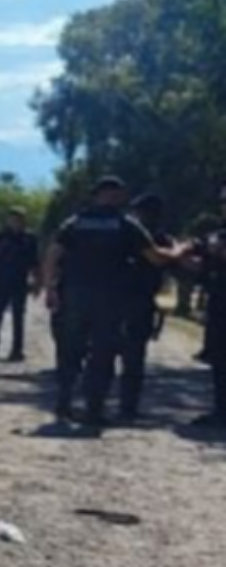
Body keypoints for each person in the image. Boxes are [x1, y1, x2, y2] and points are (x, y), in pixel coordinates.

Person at [42, 176, 185, 427]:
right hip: (109, 299)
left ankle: (64, 402)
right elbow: (155, 257)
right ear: (117, 196)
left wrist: (50, 288)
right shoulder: (125, 224)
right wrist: (179, 250)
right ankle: (93, 410)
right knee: (103, 352)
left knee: (70, 350)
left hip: (75, 296)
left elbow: (53, 254)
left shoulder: (75, 223)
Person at [116, 193, 172, 421]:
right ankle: (126, 406)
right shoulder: (163, 239)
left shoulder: (132, 234)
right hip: (136, 300)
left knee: (126, 353)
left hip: (133, 299)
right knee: (132, 355)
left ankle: (117, 404)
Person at [0, 209, 39, 361]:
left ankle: (16, 350)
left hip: (19, 281)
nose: (16, 223)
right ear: (7, 221)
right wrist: (1, 247)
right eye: (12, 219)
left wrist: (36, 281)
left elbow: (34, 261)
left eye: (19, 220)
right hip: (0, 281)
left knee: (18, 317)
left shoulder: (29, 238)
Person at [191, 184, 226, 429]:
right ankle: (221, 411)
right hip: (219, 304)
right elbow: (201, 262)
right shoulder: (217, 234)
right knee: (220, 360)